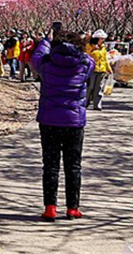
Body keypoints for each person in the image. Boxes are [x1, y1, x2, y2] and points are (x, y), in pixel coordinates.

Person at [31, 29, 94, 222]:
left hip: (49, 121)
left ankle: (50, 208)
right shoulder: (84, 63)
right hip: (74, 122)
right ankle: (72, 208)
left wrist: (45, 41)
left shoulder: (46, 63)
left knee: (50, 166)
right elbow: (90, 60)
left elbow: (36, 57)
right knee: (73, 166)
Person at [86, 31, 111, 110]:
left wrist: (108, 68)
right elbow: (86, 55)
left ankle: (97, 104)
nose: (102, 40)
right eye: (101, 38)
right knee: (90, 87)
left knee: (99, 87)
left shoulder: (103, 47)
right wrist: (93, 49)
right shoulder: (89, 46)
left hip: (101, 69)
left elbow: (105, 59)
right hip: (92, 69)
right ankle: (86, 102)